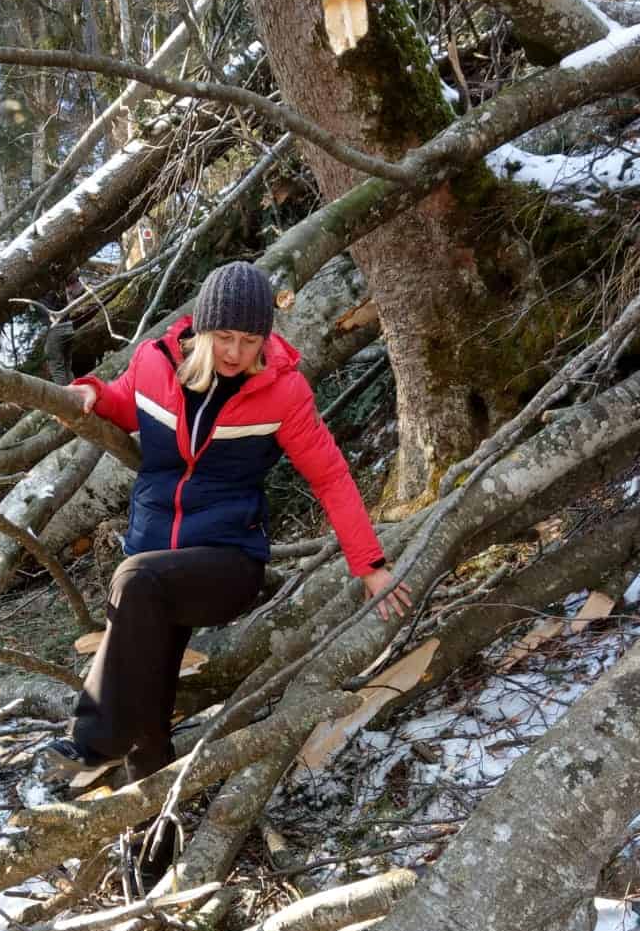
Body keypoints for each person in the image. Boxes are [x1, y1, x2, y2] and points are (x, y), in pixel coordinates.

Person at [44, 261, 411, 784]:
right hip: (156, 566)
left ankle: (91, 741)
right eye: (224, 337)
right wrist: (93, 395)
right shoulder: (155, 363)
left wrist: (369, 563)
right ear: (201, 329)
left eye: (249, 339)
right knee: (148, 716)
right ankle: (153, 847)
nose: (236, 352)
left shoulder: (283, 392)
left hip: (225, 563)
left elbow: (331, 477)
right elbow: (127, 403)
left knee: (133, 580)